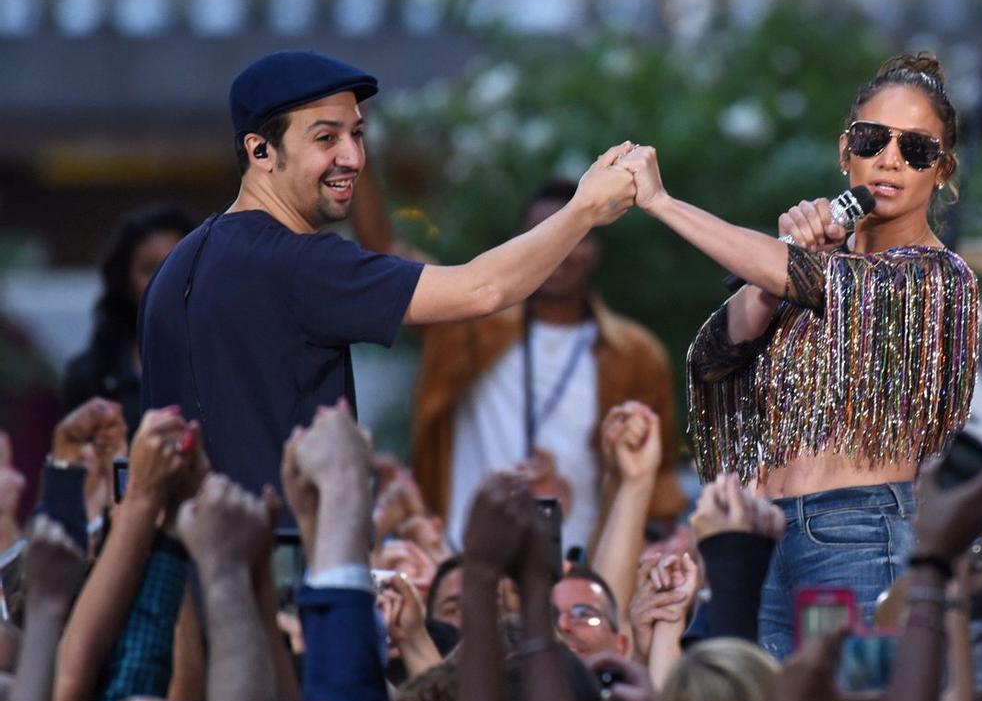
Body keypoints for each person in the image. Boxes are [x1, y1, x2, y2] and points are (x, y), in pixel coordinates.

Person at [139, 50, 636, 503]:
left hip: (181, 571)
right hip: (279, 573)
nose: (353, 158)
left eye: (356, 134)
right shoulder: (301, 263)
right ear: (260, 151)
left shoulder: (176, 266)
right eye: (325, 138)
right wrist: (585, 208)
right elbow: (484, 289)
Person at [617, 52, 979, 657]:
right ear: (846, 150)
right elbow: (712, 359)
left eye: (916, 149)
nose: (889, 160)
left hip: (857, 535)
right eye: (872, 140)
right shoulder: (812, 268)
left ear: (941, 170)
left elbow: (811, 283)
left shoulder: (937, 276)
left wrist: (661, 203)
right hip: (769, 532)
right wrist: (777, 272)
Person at [404, 180, 685, 551]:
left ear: (596, 249)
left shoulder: (635, 353)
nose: (561, 252)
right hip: (466, 563)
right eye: (545, 234)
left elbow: (658, 480)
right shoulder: (468, 327)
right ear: (521, 245)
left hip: (584, 576)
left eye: (577, 235)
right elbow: (384, 259)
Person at [64, 204, 194, 437]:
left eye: (177, 264)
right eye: (149, 268)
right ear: (125, 281)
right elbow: (72, 463)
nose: (164, 280)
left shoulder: (227, 361)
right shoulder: (91, 376)